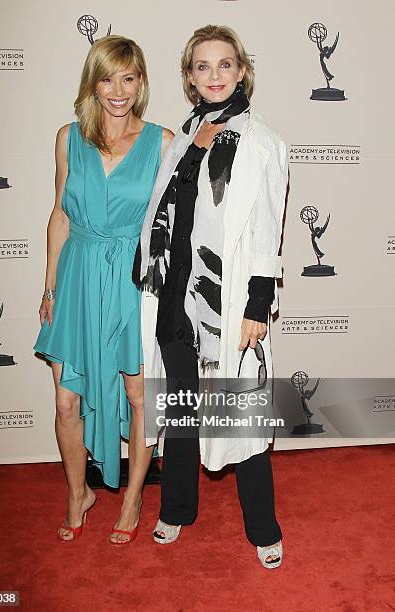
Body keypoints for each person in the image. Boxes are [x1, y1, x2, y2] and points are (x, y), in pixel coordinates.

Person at [135, 25, 288, 568]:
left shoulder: (261, 141)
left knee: (238, 410)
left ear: (241, 71)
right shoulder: (182, 138)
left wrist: (256, 307)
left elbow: (270, 229)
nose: (215, 75)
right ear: (189, 78)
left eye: (225, 65)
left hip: (226, 302)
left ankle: (264, 528)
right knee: (179, 409)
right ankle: (176, 508)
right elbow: (164, 216)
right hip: (176, 295)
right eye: (203, 66)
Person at [34, 35, 173, 544]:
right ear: (92, 82)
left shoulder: (161, 142)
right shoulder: (67, 137)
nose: (118, 90)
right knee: (66, 401)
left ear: (141, 83)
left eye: (128, 78)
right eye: (107, 78)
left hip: (133, 282)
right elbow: (59, 214)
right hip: (76, 277)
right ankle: (78, 492)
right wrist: (49, 285)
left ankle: (134, 495)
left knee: (138, 396)